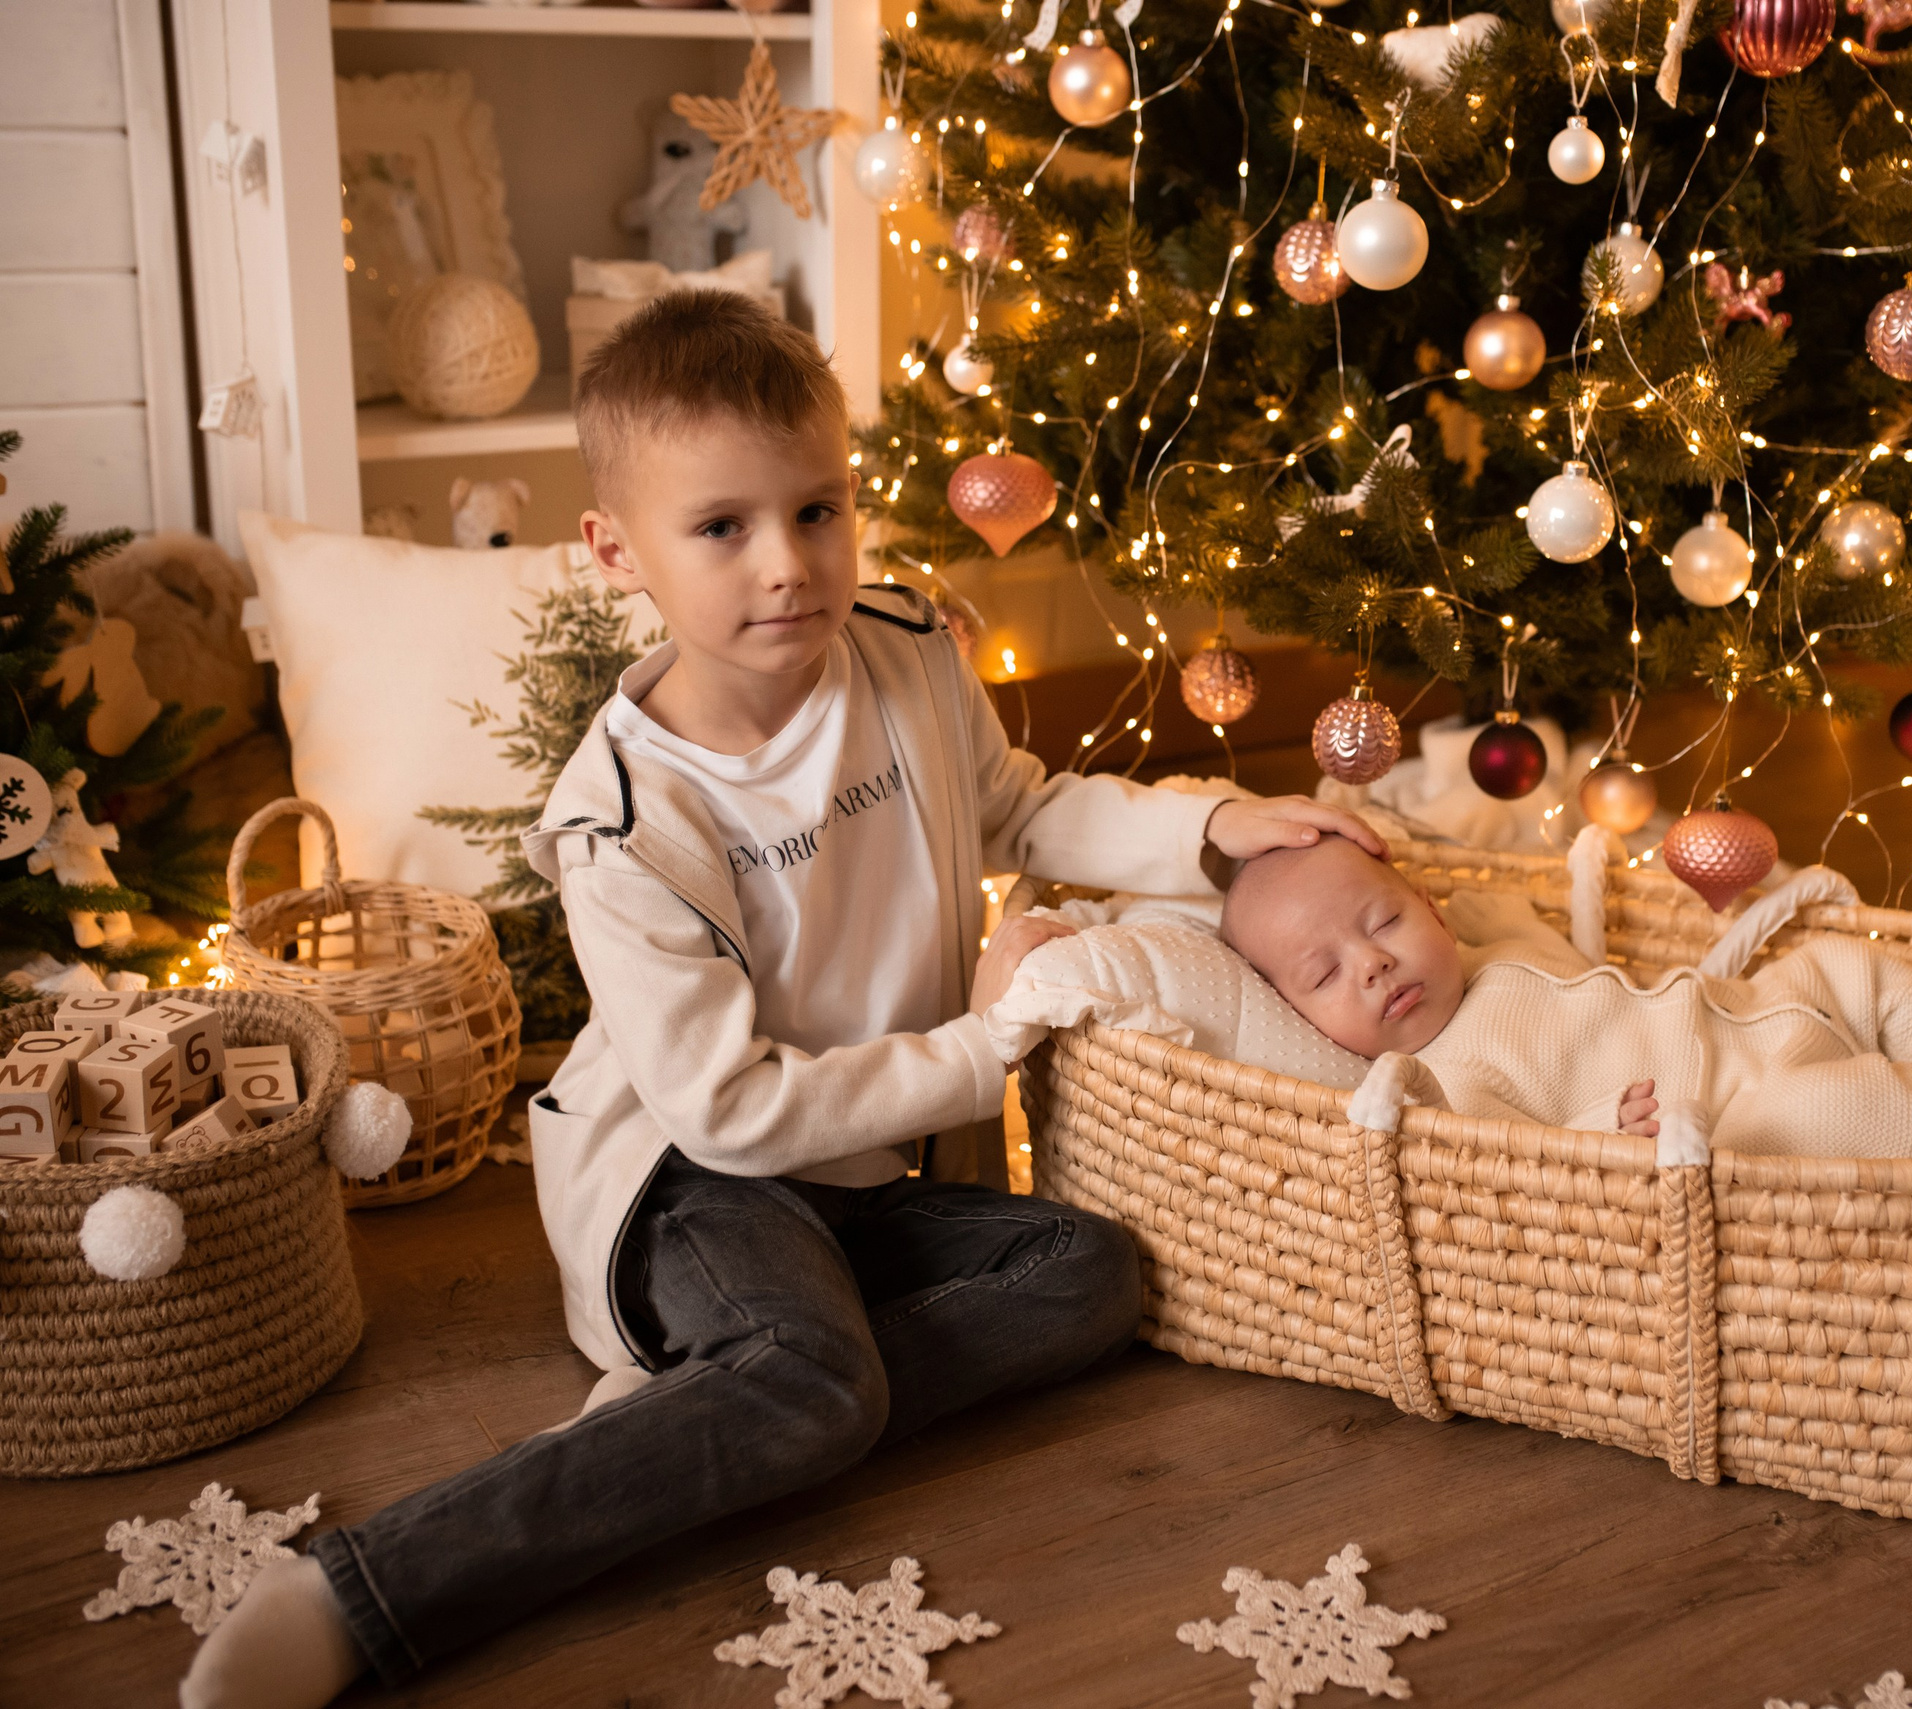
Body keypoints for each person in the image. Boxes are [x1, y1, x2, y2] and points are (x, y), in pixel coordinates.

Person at [179, 291, 1380, 1708]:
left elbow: (1021, 806)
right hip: (702, 1179)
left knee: (1091, 1277)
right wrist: (991, 1042)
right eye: (724, 527)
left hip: (879, 1171)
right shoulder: (623, 825)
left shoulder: (906, 652)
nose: (787, 565)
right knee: (821, 1377)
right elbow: (731, 1110)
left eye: (819, 510)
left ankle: (720, 1403)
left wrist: (1216, 825)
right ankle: (363, 1590)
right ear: (616, 551)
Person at [1216, 835, 1912, 1158]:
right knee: (1830, 1110)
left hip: (1753, 1005)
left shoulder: (1488, 945)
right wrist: (1596, 1133)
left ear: (1433, 912)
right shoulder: (1446, 1080)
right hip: (1736, 1110)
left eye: (1384, 921)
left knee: (1847, 961)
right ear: (1302, 1022)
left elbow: (1482, 885)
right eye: (1324, 975)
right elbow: (1519, 1167)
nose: (1371, 964)